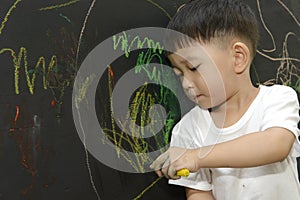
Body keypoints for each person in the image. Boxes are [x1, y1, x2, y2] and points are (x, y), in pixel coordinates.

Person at [150, 0, 300, 199]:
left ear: (238, 57)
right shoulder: (189, 128)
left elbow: (276, 144)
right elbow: (198, 192)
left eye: (194, 68)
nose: (186, 83)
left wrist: (196, 156)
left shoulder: (277, 99)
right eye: (180, 74)